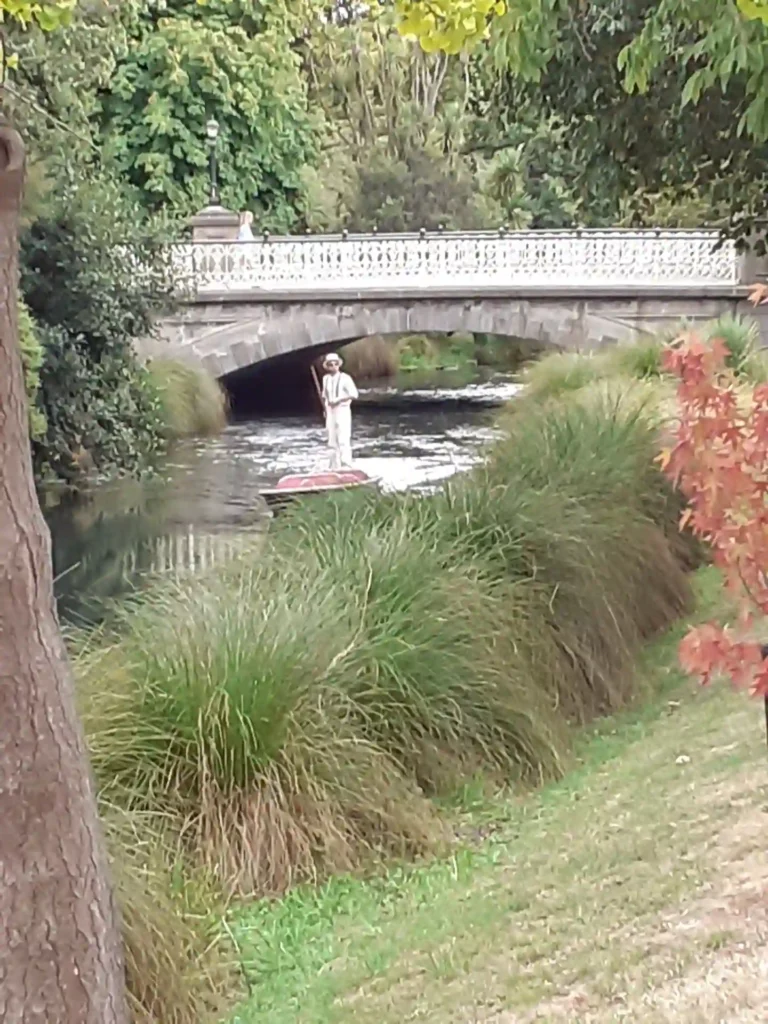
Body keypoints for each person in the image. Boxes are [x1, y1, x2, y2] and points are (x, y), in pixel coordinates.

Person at [321, 352, 358, 469]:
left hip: (342, 410)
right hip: (330, 411)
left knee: (343, 438)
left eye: (335, 364)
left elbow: (354, 394)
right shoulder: (325, 379)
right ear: (327, 366)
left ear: (338, 365)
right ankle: (333, 466)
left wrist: (339, 400)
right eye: (330, 364)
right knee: (331, 440)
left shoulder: (345, 378)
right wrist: (325, 408)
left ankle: (346, 465)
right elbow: (325, 395)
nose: (333, 366)